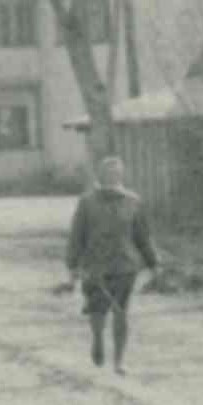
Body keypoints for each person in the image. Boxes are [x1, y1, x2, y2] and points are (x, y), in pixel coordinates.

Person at [64, 155, 159, 373]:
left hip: (124, 265)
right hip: (95, 267)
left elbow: (143, 237)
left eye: (116, 173)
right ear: (100, 176)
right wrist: (73, 266)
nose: (112, 177)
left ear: (122, 176)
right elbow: (77, 236)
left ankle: (119, 361)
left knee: (121, 312)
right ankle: (98, 339)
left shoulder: (133, 202)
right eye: (108, 173)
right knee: (97, 311)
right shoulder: (87, 202)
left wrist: (153, 263)